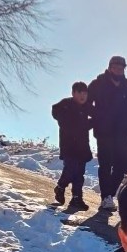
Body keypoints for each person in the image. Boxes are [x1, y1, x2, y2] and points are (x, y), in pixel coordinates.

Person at [87, 55, 127, 211]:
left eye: (121, 68)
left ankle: (110, 195)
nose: (118, 70)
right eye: (116, 67)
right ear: (110, 67)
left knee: (121, 166)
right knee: (105, 165)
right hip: (104, 131)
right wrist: (98, 116)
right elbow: (86, 102)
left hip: (123, 132)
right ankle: (105, 197)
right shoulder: (98, 83)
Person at [50, 81, 93, 211]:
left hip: (82, 147)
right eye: (79, 92)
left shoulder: (86, 107)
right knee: (70, 169)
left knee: (79, 174)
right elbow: (64, 119)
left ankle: (76, 198)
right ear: (73, 93)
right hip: (69, 146)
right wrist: (86, 124)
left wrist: (96, 121)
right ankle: (60, 187)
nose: (83, 96)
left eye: (85, 93)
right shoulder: (66, 105)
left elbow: (97, 115)